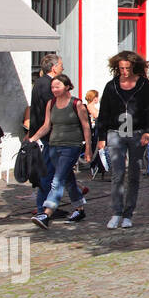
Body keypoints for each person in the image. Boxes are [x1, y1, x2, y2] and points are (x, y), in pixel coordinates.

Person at [94, 51, 149, 228]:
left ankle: (129, 214)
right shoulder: (111, 86)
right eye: (121, 68)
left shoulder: (143, 84)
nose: (125, 72)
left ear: (134, 67)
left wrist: (148, 131)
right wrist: (101, 137)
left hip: (137, 132)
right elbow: (104, 112)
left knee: (134, 174)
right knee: (117, 173)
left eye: (128, 68)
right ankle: (116, 212)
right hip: (115, 132)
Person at [27, 74, 92, 228]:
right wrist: (32, 138)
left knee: (57, 180)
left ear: (67, 86)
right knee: (68, 180)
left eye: (57, 87)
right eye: (52, 87)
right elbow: (46, 126)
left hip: (71, 146)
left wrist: (88, 147)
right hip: (54, 146)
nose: (54, 90)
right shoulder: (51, 103)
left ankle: (46, 213)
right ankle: (79, 209)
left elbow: (86, 126)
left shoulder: (77, 104)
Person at [28, 53, 63, 140]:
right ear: (54, 68)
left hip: (41, 132)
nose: (62, 69)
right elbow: (52, 107)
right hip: (46, 134)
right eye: (61, 66)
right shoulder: (47, 84)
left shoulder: (41, 82)